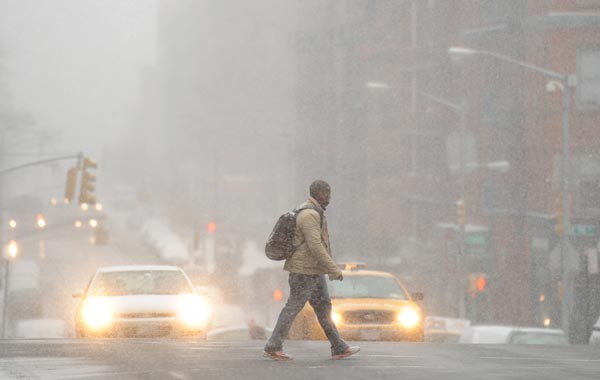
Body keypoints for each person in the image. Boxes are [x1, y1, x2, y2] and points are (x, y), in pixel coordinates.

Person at [263, 180, 360, 361]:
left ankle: (338, 346)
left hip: (314, 270)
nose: (329, 198)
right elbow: (315, 244)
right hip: (303, 271)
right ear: (317, 193)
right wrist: (332, 269)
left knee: (323, 308)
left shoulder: (316, 212)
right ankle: (273, 345)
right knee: (294, 307)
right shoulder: (309, 214)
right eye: (326, 193)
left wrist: (325, 268)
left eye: (329, 193)